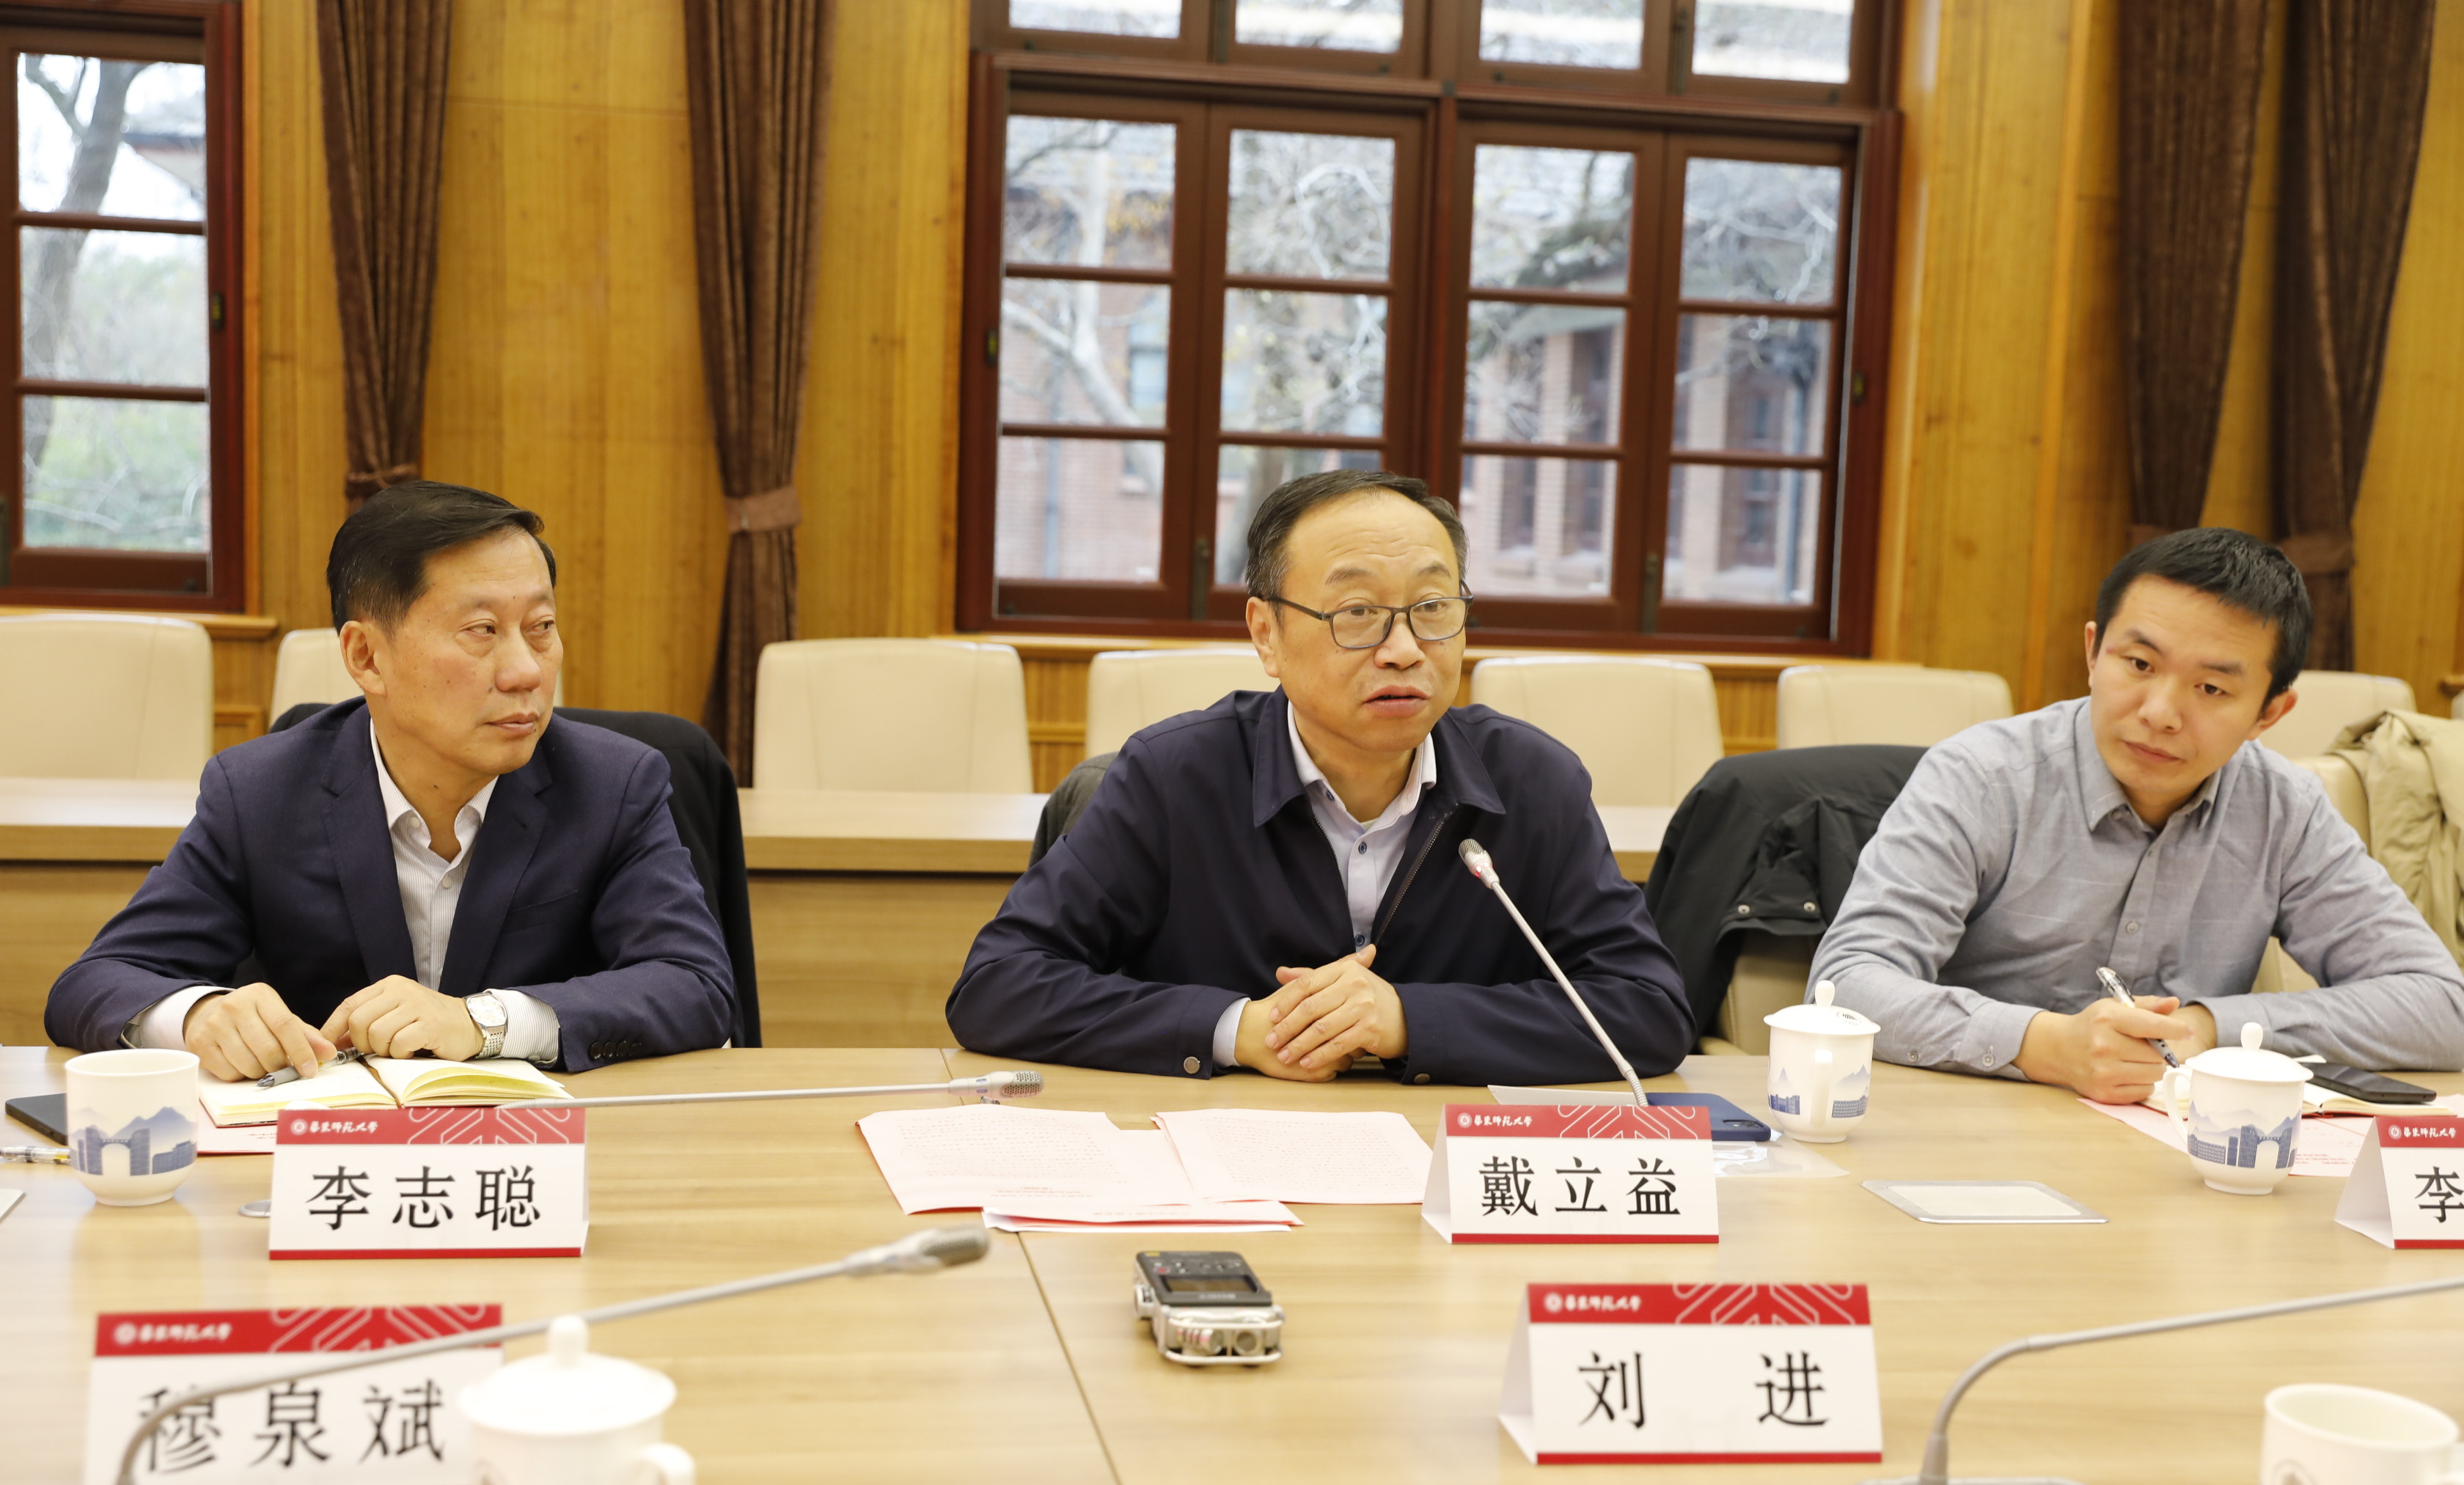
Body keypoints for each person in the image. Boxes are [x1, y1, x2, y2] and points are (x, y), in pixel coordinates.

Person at [946, 469, 1693, 1085]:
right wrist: (1238, 1029)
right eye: (1357, 612)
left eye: (1433, 607)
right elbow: (998, 986)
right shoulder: (1173, 777)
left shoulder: (1533, 782)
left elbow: (1649, 1009)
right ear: (1266, 634)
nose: (1404, 648)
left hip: (1440, 1171)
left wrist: (1409, 1020)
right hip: (1224, 1158)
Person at [45, 482, 735, 1080]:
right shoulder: (259, 793)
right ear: (367, 657)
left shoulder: (614, 785)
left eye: (542, 627)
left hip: (540, 1149)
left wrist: (484, 1023)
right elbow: (94, 983)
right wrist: (197, 1015)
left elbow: (696, 986)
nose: (526, 669)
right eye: (482, 630)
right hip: (332, 1151)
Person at [1811, 527, 2464, 1101]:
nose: (2160, 713)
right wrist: (2043, 1045)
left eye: (2211, 688)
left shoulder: (2284, 809)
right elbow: (1846, 985)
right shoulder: (1980, 777)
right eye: (2140, 664)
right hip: (1976, 1127)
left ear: (2269, 713)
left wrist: (2210, 1027)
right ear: (2093, 652)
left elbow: (2443, 1008)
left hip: (2177, 1152)